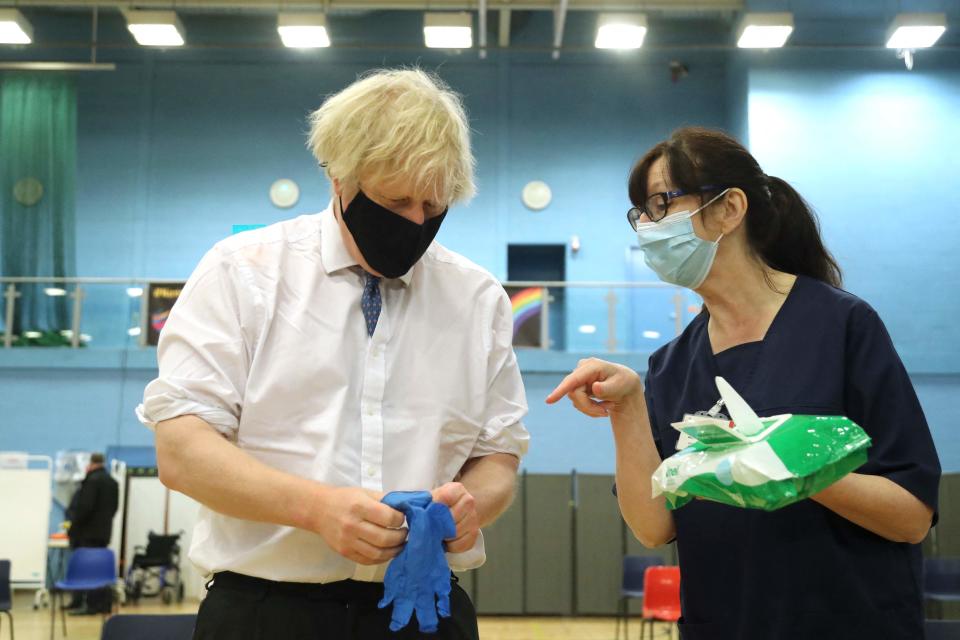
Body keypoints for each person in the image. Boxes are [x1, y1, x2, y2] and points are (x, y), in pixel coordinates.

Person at [137, 68, 529, 640]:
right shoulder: (241, 273)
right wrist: (315, 509)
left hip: (426, 610)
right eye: (397, 200)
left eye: (434, 204)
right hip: (265, 612)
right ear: (339, 177)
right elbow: (181, 451)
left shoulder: (477, 298)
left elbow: (498, 456)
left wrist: (472, 506)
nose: (417, 222)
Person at [547, 127, 940, 640]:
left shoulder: (841, 327)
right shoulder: (671, 364)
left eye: (662, 203)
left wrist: (792, 468)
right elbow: (654, 527)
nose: (647, 226)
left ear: (730, 209)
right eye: (640, 212)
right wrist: (626, 407)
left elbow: (911, 516)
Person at [64, 452, 119, 614]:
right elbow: (114, 508)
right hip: (103, 533)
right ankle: (100, 604)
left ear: (91, 464)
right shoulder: (112, 482)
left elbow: (85, 508)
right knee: (99, 570)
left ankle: (88, 605)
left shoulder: (92, 480)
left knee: (86, 571)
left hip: (86, 533)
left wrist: (73, 527)